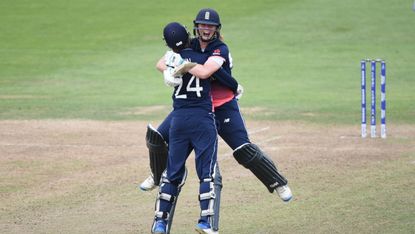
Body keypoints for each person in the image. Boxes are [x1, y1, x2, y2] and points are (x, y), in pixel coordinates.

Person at [143, 8, 292, 233]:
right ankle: (156, 177)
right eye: (203, 25)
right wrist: (168, 71)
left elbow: (209, 72)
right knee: (156, 139)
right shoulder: (189, 44)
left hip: (221, 106)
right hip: (195, 107)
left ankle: (277, 182)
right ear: (196, 27)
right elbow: (162, 62)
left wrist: (231, 84)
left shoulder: (220, 48)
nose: (206, 29)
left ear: (216, 29)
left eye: (210, 26)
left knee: (243, 150)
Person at [151, 22, 240, 234]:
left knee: (172, 172)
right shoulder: (203, 58)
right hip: (203, 119)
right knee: (206, 173)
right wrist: (235, 86)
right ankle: (205, 222)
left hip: (178, 120)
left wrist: (171, 68)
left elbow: (161, 64)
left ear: (169, 44)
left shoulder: (171, 59)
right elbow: (212, 73)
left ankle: (160, 223)